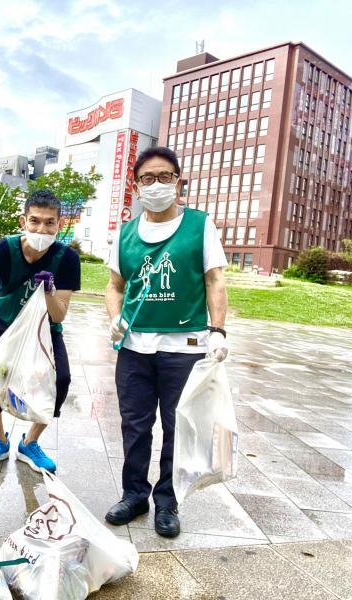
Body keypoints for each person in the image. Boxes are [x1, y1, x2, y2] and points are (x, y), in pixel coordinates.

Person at [104, 146, 229, 538]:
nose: (156, 185)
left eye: (165, 177)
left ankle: (168, 501)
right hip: (135, 348)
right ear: (135, 186)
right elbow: (113, 286)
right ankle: (134, 494)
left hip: (184, 348)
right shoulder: (125, 233)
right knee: (135, 425)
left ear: (178, 181)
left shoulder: (199, 225)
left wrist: (219, 329)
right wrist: (115, 319)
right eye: (147, 179)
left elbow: (214, 279)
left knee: (178, 428)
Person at [0, 189, 80, 473]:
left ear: (60, 224)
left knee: (61, 380)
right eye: (35, 221)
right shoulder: (3, 250)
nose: (41, 229)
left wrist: (50, 291)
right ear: (23, 221)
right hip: (4, 321)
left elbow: (59, 313)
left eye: (49, 223)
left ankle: (30, 443)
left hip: (44, 327)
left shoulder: (67, 259)